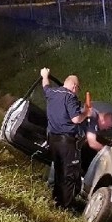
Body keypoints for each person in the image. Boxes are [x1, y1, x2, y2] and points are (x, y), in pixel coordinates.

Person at [40, 67, 91, 208]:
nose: (77, 91)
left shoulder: (52, 93)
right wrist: (86, 113)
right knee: (69, 174)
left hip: (53, 140)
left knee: (58, 171)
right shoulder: (70, 97)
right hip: (66, 143)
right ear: (74, 86)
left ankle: (56, 200)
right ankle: (65, 206)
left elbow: (45, 86)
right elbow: (76, 119)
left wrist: (45, 75)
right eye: (78, 88)